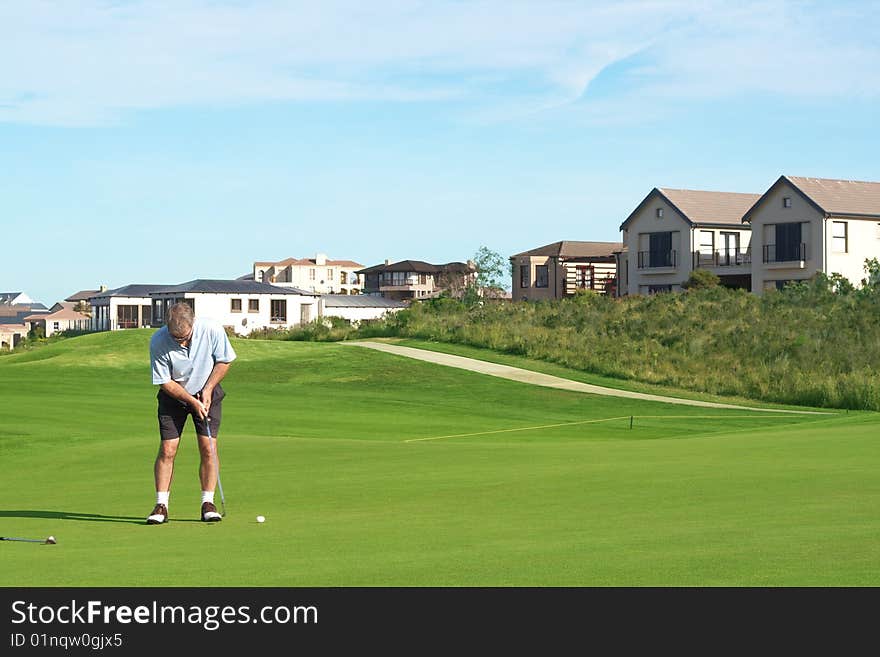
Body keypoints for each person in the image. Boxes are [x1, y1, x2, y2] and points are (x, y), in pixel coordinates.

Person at [147, 302, 236, 524]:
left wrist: (207, 390)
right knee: (168, 449)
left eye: (185, 337)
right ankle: (161, 506)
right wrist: (191, 401)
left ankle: (208, 503)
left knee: (208, 447)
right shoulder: (158, 341)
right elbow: (164, 381)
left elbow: (224, 361)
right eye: (177, 339)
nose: (182, 342)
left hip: (207, 390)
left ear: (193, 323)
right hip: (173, 396)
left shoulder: (212, 330)